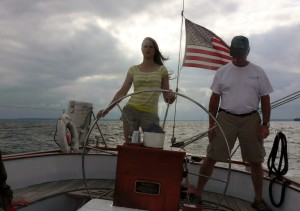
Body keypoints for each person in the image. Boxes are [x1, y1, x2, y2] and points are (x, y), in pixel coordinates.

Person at [190, 36, 273, 211]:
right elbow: (214, 101)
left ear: (248, 51)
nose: (239, 56)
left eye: (241, 52)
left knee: (256, 161)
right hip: (225, 119)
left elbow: (265, 100)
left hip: (251, 120)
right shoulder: (222, 72)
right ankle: (197, 193)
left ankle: (258, 199)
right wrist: (211, 125)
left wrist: (265, 124)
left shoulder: (258, 72)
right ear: (232, 53)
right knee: (211, 157)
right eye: (236, 52)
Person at [97, 37, 176, 143]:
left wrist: (171, 97)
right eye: (145, 46)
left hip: (150, 112)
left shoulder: (162, 70)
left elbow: (167, 97)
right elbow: (122, 92)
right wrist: (107, 109)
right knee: (130, 144)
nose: (148, 49)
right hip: (131, 110)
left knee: (152, 145)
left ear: (155, 50)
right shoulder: (133, 69)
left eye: (151, 47)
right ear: (141, 49)